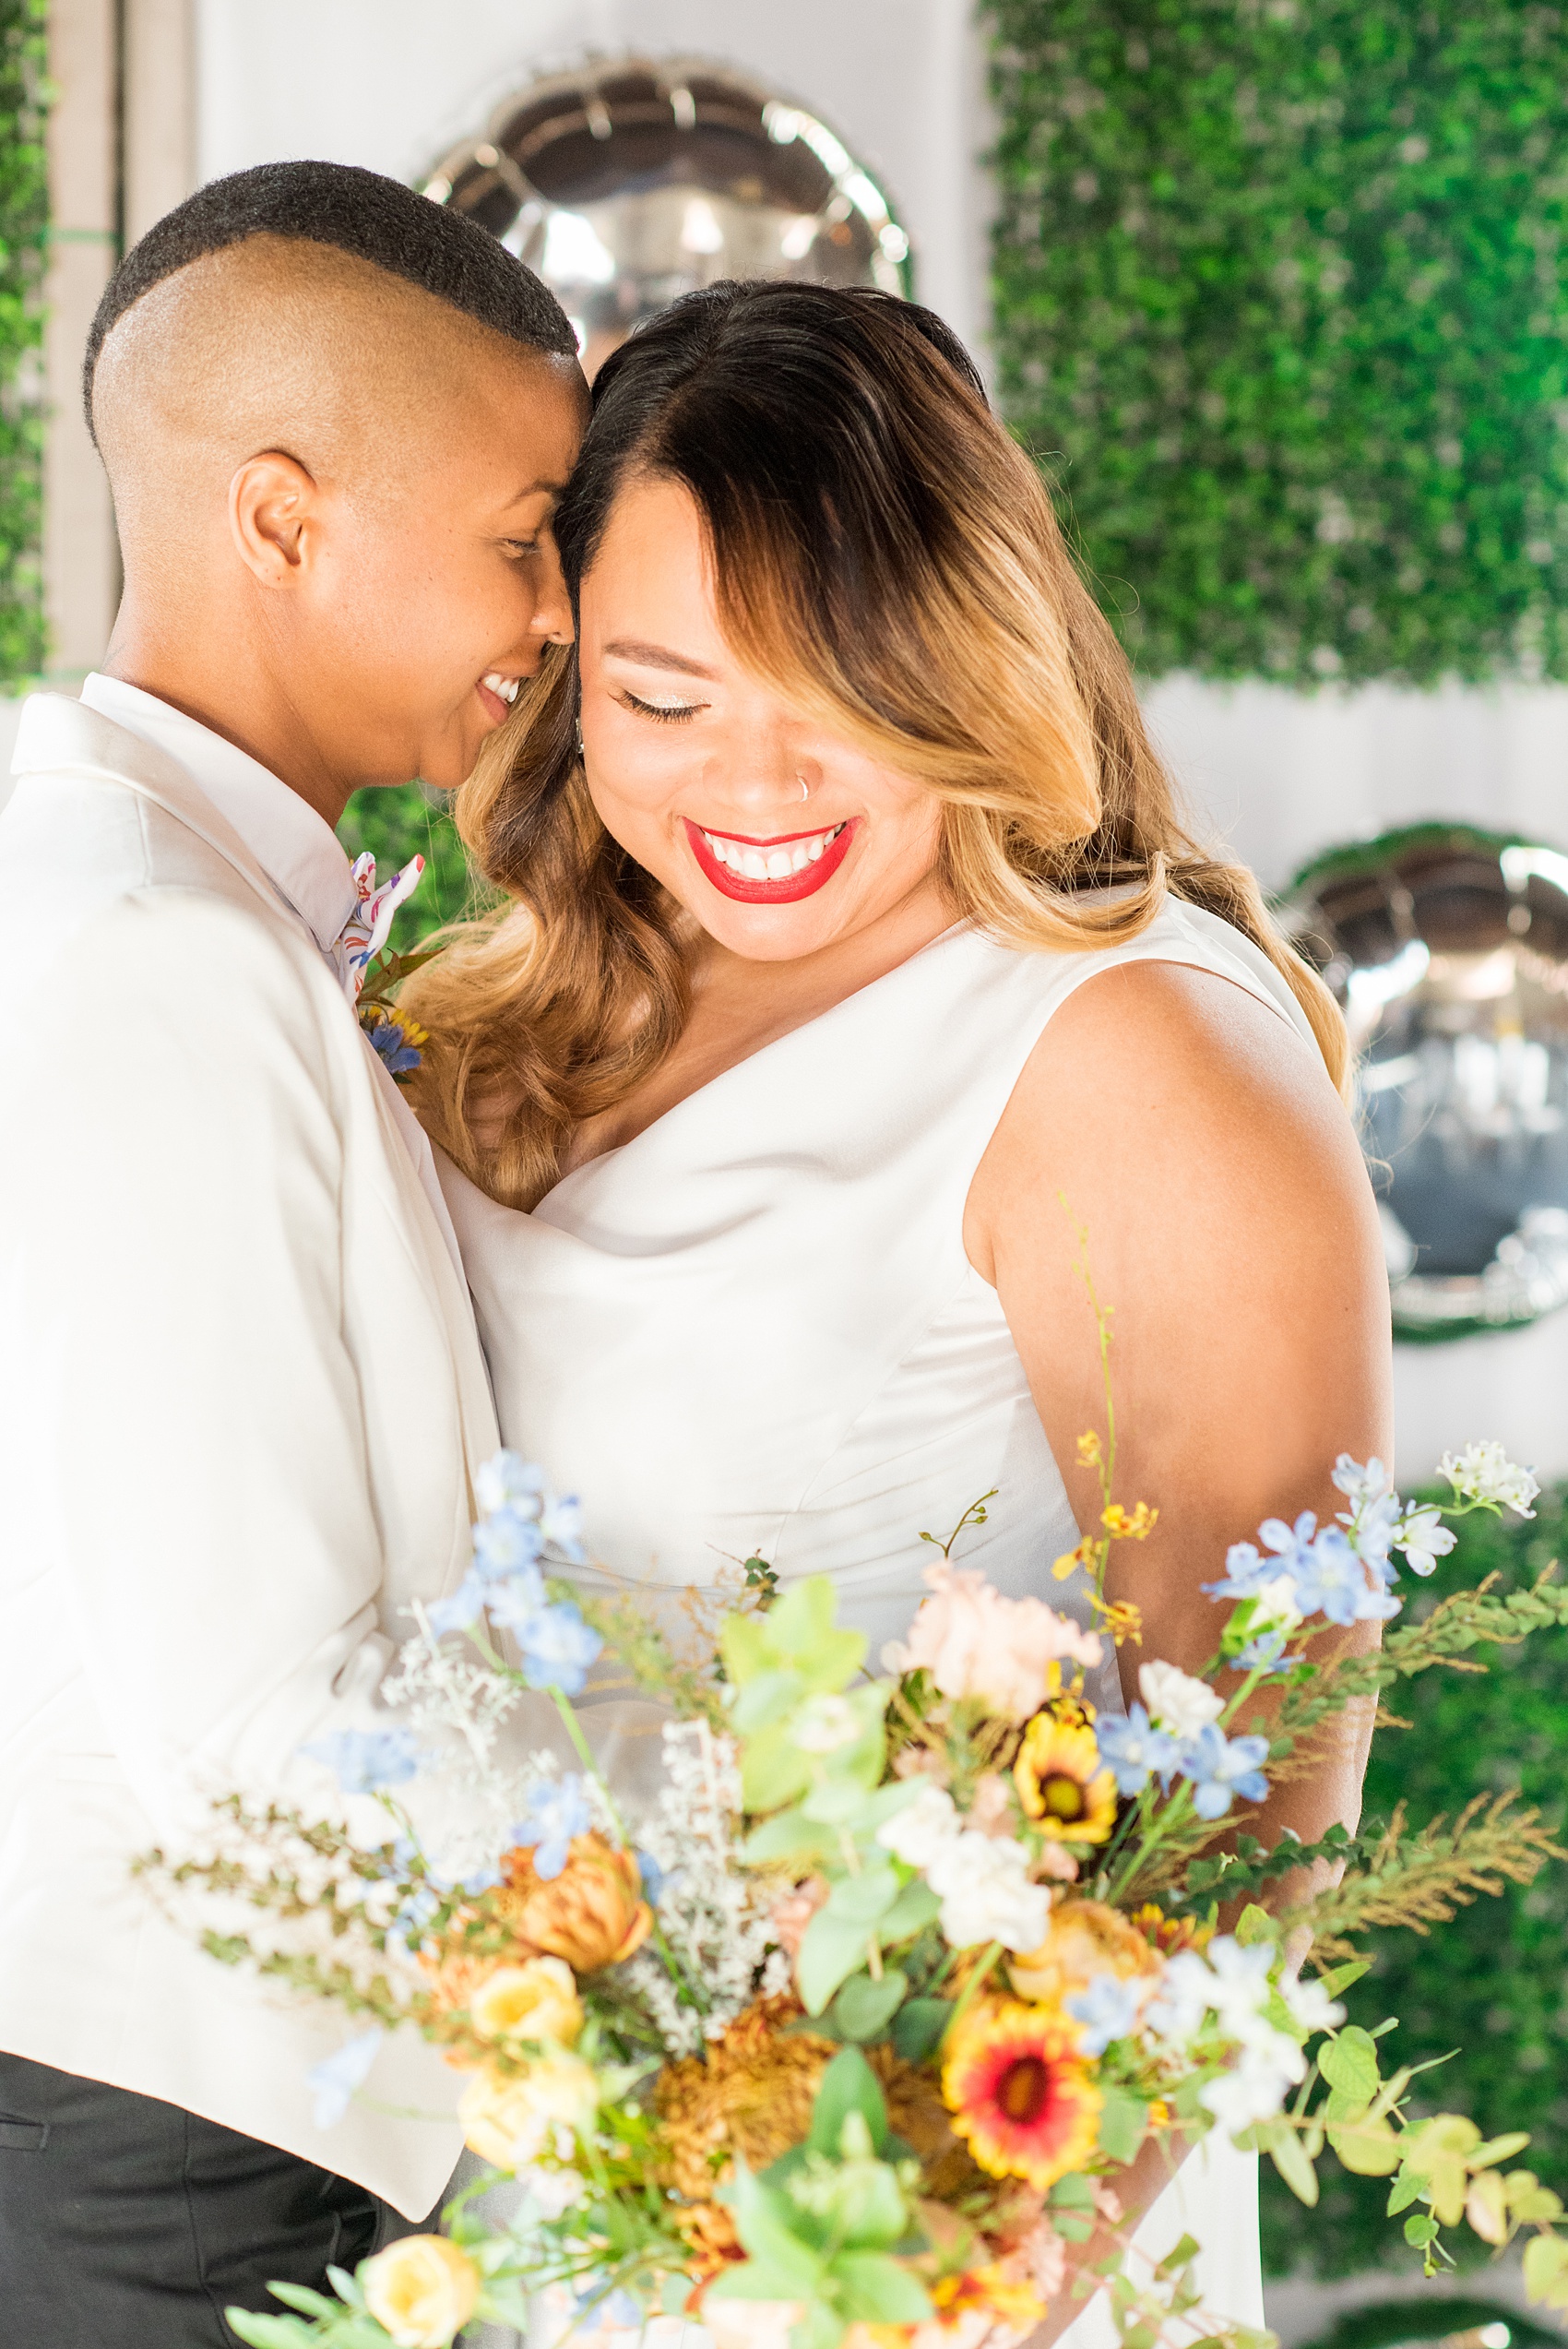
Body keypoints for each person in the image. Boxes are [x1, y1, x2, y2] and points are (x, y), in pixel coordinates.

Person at [408, 280, 1391, 2346]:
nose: (748, 785)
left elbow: (1261, 1773)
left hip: (913, 2238)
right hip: (529, 2190)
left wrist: (950, 2297)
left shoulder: (1126, 1048)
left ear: (965, 653)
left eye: (830, 688)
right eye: (663, 696)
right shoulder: (510, 1014)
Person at [0, 161, 585, 2345]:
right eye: (520, 536)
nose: (549, 615)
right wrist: (753, 1864)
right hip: (166, 2162)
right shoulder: (157, 944)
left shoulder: (110, 868)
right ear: (280, 515)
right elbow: (263, 1726)